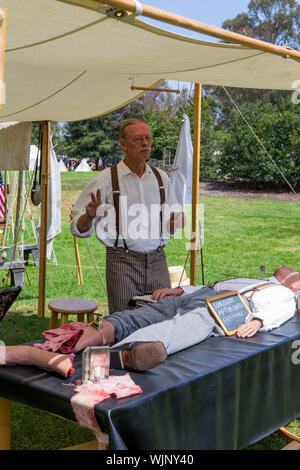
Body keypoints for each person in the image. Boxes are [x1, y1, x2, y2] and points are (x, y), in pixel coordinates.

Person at [2, 266, 297, 377]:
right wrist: (179, 290)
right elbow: (214, 285)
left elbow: (280, 311)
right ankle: (71, 344)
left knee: (178, 328)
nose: (288, 269)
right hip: (204, 295)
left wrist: (258, 320)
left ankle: (120, 355)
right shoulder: (255, 278)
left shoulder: (286, 295)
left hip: (225, 311)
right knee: (135, 315)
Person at [70, 117, 185, 314]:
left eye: (148, 138)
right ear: (123, 144)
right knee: (124, 323)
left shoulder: (161, 178)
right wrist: (88, 216)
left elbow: (170, 226)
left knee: (163, 319)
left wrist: (175, 222)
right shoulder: (106, 179)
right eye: (138, 138)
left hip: (158, 261)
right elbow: (77, 228)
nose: (145, 143)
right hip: (121, 263)